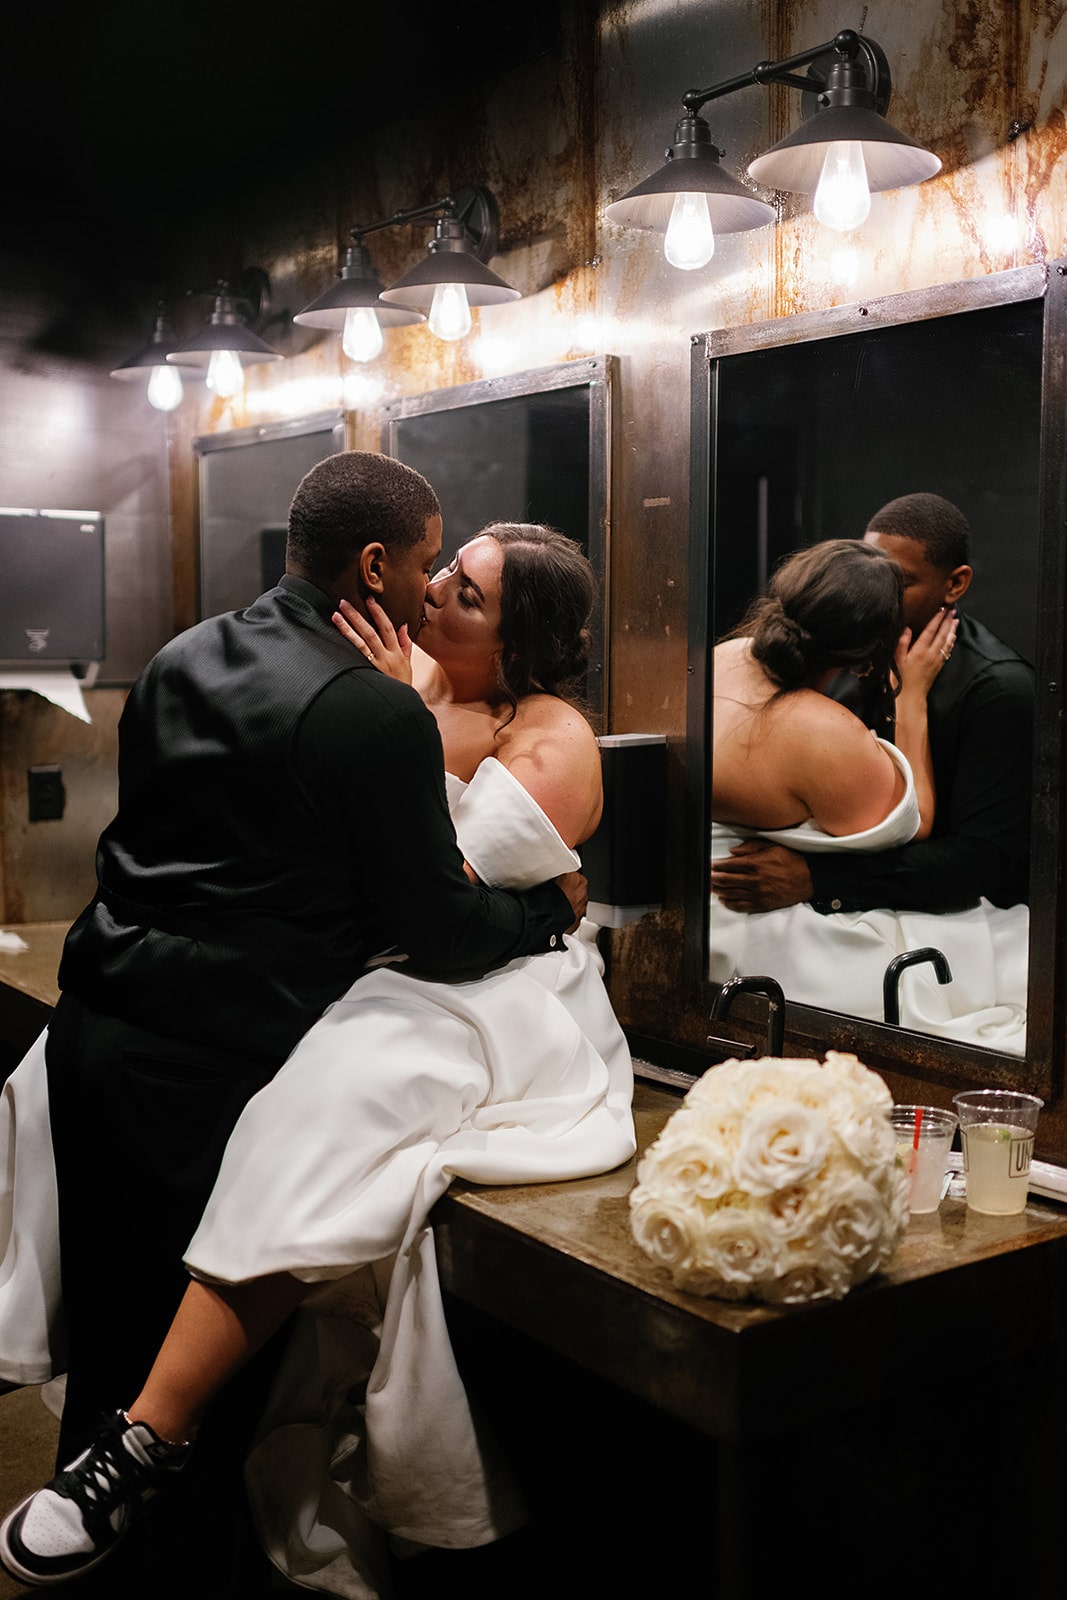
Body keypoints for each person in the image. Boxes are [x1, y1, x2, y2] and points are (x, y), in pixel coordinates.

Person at [0, 519, 635, 1595]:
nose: (436, 592)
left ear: (524, 643)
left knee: (330, 1101)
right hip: (387, 959)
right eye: (443, 569)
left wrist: (401, 727)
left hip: (489, 992)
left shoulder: (552, 735)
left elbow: (458, 895)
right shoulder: (397, 673)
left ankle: (148, 1434)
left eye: (468, 594)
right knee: (45, 1072)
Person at [709, 534, 1029, 1048]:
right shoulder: (824, 732)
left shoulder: (724, 656)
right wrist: (914, 699)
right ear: (869, 653)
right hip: (761, 920)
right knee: (994, 952)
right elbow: (915, 822)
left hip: (703, 905)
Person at [711, 493, 1034, 916]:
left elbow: (978, 861)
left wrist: (818, 879)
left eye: (897, 583)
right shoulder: (834, 643)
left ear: (954, 584)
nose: (871, 592)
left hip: (946, 912)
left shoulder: (998, 689)